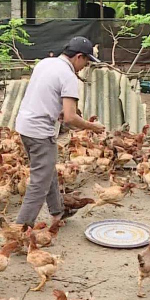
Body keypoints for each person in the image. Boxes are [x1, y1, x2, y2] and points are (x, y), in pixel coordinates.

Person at [14, 36, 105, 227]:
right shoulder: (68, 76)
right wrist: (92, 126)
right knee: (39, 183)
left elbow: (44, 94)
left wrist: (57, 110)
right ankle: (20, 229)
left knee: (47, 170)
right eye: (86, 61)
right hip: (40, 132)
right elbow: (71, 117)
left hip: (24, 126)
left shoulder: (45, 63)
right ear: (79, 57)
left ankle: (57, 212)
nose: (85, 66)